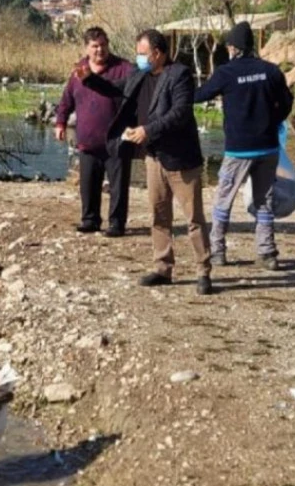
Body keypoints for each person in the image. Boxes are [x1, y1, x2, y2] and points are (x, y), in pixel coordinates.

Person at [78, 29, 213, 295]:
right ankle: (162, 268)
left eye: (142, 53)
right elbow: (116, 89)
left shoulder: (179, 75)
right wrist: (89, 80)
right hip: (153, 158)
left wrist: (148, 130)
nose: (138, 58)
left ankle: (203, 271)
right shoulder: (139, 74)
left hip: (181, 159)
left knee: (194, 218)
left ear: (157, 53)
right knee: (159, 216)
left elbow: (180, 113)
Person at [193, 22, 293, 270]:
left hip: (238, 149)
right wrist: (273, 121)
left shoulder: (226, 73)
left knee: (223, 199)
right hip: (268, 147)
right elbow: (287, 102)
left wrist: (177, 88)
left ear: (232, 47)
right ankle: (267, 253)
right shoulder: (271, 71)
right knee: (264, 201)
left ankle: (217, 251)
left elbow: (200, 95)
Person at [55, 27, 135, 236]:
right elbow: (66, 100)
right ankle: (90, 220)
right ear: (87, 48)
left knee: (118, 186)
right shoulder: (78, 71)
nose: (100, 50)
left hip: (117, 139)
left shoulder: (124, 69)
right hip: (88, 140)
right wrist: (60, 122)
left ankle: (116, 224)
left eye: (103, 45)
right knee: (88, 184)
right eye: (95, 46)